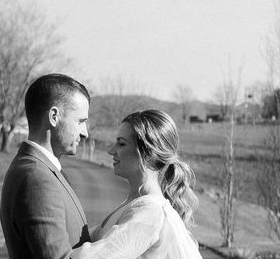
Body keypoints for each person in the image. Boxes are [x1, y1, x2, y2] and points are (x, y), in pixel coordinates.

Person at [71, 109, 202, 259]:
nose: (111, 150)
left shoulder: (151, 212)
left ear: (148, 154)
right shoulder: (139, 206)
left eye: (121, 144)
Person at [0, 73, 91, 259]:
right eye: (80, 121)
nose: (85, 133)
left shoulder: (39, 168)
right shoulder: (37, 177)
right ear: (54, 116)